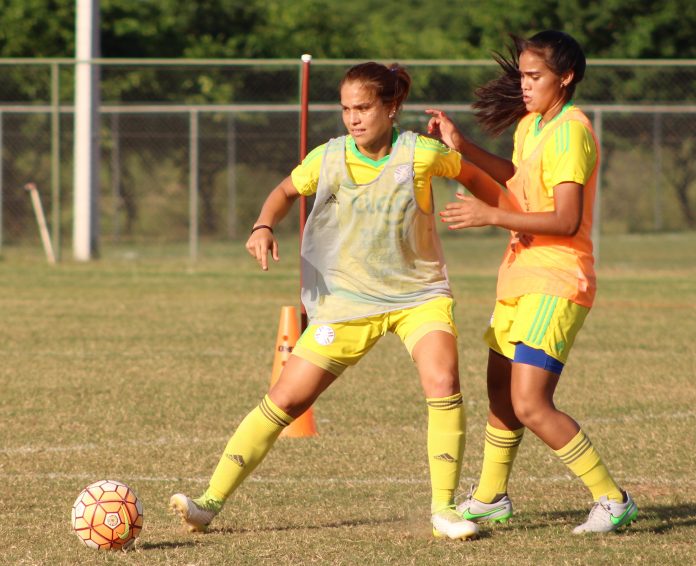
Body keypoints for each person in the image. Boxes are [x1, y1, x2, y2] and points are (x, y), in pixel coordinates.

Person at [169, 61, 512, 540]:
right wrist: (263, 225)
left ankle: (445, 510)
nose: (353, 118)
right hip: (345, 303)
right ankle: (208, 503)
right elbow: (284, 191)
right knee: (286, 398)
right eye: (347, 109)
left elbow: (478, 178)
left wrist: (497, 214)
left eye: (364, 107)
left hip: (418, 296)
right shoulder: (326, 158)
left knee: (443, 378)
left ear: (391, 108)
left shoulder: (420, 153)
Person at [426, 30, 638, 534]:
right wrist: (463, 147)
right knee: (500, 393)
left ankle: (612, 499)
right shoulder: (532, 125)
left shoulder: (571, 131)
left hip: (557, 279)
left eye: (534, 76)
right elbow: (518, 180)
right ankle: (491, 497)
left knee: (530, 403)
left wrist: (489, 215)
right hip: (520, 275)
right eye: (521, 74)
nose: (524, 85)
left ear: (565, 78)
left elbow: (565, 220)